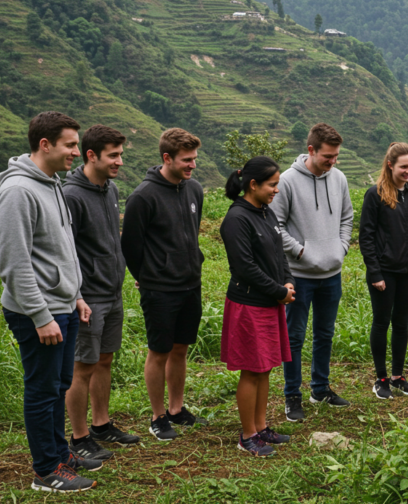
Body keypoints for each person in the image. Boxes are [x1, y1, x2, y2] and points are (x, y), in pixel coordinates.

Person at [0, 111, 100, 493]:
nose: (77, 151)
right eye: (71, 144)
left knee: (60, 384)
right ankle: (45, 470)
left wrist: (76, 295)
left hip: (63, 304)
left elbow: (62, 249)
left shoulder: (52, 183)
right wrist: (41, 316)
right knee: (42, 390)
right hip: (36, 310)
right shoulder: (17, 192)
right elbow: (15, 264)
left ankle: (60, 453)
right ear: (45, 144)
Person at [121, 128, 208, 441]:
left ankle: (176, 408)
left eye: (194, 159)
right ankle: (157, 416)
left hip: (190, 283)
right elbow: (131, 246)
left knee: (180, 349)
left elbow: (191, 233)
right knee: (159, 350)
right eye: (186, 160)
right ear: (166, 158)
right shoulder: (143, 197)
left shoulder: (193, 189)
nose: (192, 166)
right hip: (159, 288)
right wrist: (146, 277)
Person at [63, 125, 141, 462]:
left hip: (112, 290)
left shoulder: (109, 190)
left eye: (120, 154)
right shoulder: (72, 196)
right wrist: (78, 295)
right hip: (88, 296)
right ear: (90, 155)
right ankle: (79, 436)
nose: (120, 161)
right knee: (83, 366)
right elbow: (66, 251)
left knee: (105, 360)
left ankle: (101, 424)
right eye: (113, 155)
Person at [273, 123, 355, 419]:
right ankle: (292, 395)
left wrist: (341, 247)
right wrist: (301, 251)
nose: (332, 162)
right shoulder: (288, 181)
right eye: (327, 156)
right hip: (300, 275)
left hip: (331, 273)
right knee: (293, 337)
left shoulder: (340, 178)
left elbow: (347, 216)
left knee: (325, 333)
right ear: (311, 150)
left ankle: (320, 388)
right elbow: (276, 225)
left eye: (335, 156)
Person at [219, 156, 295, 457]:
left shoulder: (265, 212)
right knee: (251, 370)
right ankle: (247, 434)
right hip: (250, 304)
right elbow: (244, 267)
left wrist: (287, 282)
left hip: (270, 301)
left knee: (265, 369)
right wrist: (278, 290)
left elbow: (279, 254)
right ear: (253, 185)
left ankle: (261, 427)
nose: (276, 190)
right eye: (272, 185)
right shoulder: (237, 218)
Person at [359, 143, 408, 400]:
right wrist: (375, 272)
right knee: (381, 322)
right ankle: (380, 379)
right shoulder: (375, 194)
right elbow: (366, 236)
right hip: (384, 271)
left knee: (401, 323)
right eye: (404, 167)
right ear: (390, 165)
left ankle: (398, 376)